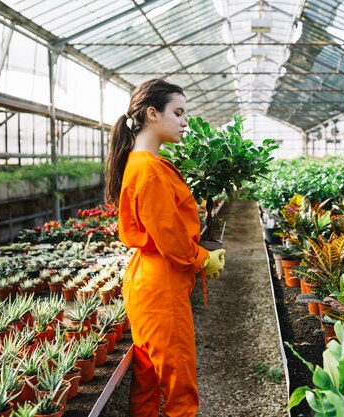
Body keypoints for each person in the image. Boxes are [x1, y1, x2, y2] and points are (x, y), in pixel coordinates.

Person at [105, 78, 226, 417]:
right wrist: (203, 258)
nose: (185, 121)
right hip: (161, 283)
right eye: (178, 112)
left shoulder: (140, 162)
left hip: (147, 279)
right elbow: (169, 236)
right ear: (152, 114)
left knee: (150, 376)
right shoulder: (151, 171)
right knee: (178, 384)